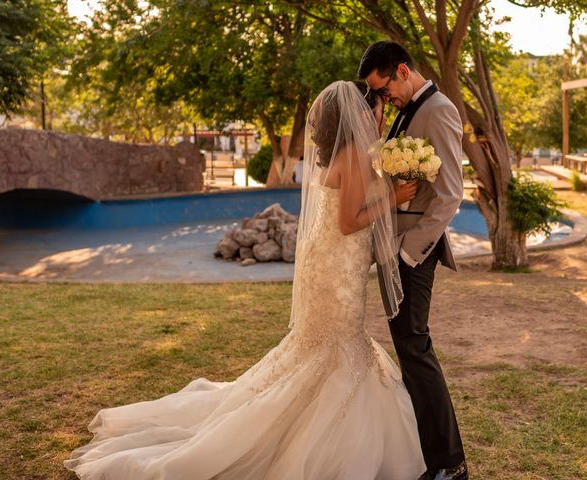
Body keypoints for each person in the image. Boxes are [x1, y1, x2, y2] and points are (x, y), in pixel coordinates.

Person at [64, 81, 421, 479]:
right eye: (376, 108)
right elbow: (349, 220)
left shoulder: (342, 153)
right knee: (335, 342)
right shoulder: (354, 154)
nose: (381, 115)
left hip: (333, 259)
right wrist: (393, 195)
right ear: (359, 114)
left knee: (323, 343)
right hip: (338, 266)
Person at [359, 41, 467, 480]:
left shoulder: (437, 110)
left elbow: (449, 194)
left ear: (402, 70)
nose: (384, 100)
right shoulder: (406, 110)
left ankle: (449, 464)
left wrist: (406, 253)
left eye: (384, 90)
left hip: (413, 254)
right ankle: (430, 459)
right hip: (392, 249)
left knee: (416, 350)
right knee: (408, 349)